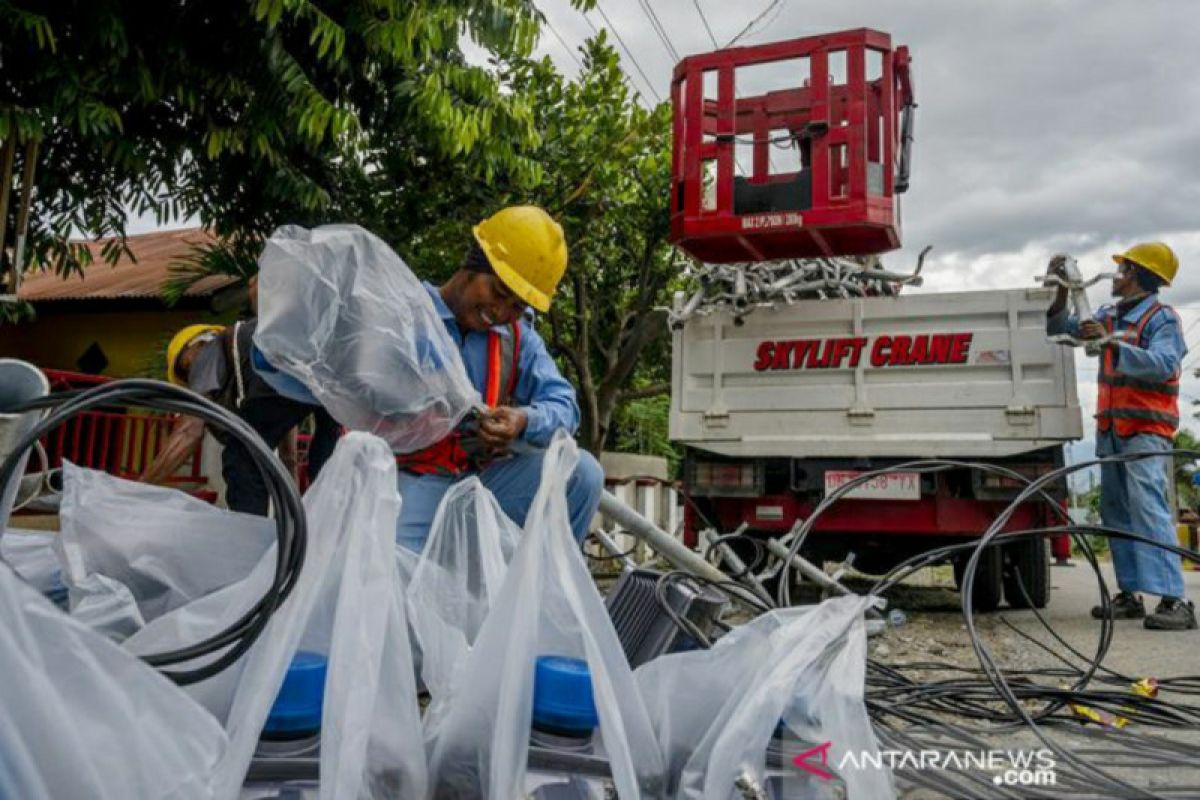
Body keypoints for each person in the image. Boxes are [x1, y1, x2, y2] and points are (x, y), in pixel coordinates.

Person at [252, 206, 604, 551]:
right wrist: (278, 321)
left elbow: (565, 407)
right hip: (401, 480)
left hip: (479, 483)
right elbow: (309, 375)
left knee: (581, 474)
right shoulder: (397, 315)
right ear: (473, 263)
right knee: (391, 573)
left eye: (516, 306)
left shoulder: (517, 339)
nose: (501, 312)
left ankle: (538, 601)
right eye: (498, 292)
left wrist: (525, 420)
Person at [1046, 242, 1195, 630]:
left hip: (1146, 428)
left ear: (1140, 276)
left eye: (1123, 269)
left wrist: (1111, 342)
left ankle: (1175, 599)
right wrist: (1059, 283)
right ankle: (1129, 594)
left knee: (1148, 507)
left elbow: (1164, 364)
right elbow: (1059, 326)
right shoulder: (1109, 314)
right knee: (1115, 510)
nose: (1117, 275)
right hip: (1112, 426)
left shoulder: (1161, 319)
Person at [139, 317, 341, 515]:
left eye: (184, 370)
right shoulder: (252, 347)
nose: (191, 378)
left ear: (194, 348)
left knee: (241, 455)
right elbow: (282, 420)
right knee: (325, 467)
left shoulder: (207, 352)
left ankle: (249, 536)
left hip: (313, 369)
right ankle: (329, 524)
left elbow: (189, 431)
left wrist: (139, 488)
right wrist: (291, 502)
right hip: (330, 372)